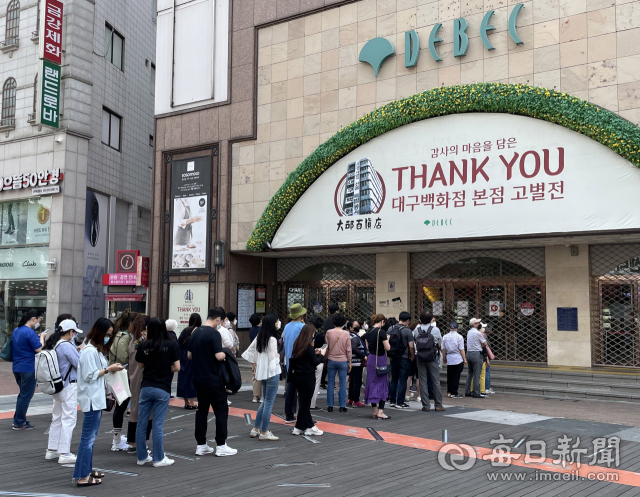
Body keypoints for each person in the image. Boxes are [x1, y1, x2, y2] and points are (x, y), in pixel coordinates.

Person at [73, 318, 124, 487]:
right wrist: (109, 369)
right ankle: (82, 476)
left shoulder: (93, 350)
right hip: (91, 399)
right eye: (107, 334)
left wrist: (109, 369)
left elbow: (95, 372)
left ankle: (85, 471)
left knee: (90, 438)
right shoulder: (89, 351)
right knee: (88, 438)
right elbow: (90, 375)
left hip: (95, 398)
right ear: (100, 332)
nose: (108, 338)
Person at [188, 307, 237, 457]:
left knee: (202, 410)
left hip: (198, 378)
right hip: (213, 379)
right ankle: (221, 445)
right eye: (222, 321)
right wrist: (224, 353)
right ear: (218, 319)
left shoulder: (195, 332)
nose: (221, 323)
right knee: (221, 410)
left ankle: (201, 445)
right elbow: (218, 356)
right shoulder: (214, 334)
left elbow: (189, 355)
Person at [135, 318, 181, 467]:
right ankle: (158, 458)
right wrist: (165, 368)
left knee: (141, 423)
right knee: (157, 424)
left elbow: (140, 365)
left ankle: (142, 457)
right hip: (163, 387)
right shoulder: (172, 345)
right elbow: (177, 367)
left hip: (146, 387)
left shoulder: (143, 345)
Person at [44, 319, 81, 463]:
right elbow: (78, 364)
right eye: (74, 332)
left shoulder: (56, 344)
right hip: (69, 386)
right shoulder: (67, 345)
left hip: (58, 386)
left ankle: (51, 449)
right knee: (68, 419)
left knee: (57, 418)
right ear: (71, 332)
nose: (74, 335)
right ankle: (64, 453)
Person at [242, 313, 281, 441]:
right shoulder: (273, 339)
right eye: (276, 321)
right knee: (268, 403)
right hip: (271, 373)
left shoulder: (260, 336)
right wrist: (277, 358)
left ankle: (256, 428)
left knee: (265, 402)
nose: (278, 323)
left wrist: (255, 364)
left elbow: (249, 351)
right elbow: (272, 360)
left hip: (262, 372)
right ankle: (264, 432)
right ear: (272, 323)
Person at [289, 324, 325, 436]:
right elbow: (315, 362)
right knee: (305, 403)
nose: (314, 335)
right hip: (308, 377)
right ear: (310, 334)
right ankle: (299, 427)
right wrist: (322, 355)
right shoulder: (308, 347)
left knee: (304, 402)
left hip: (297, 377)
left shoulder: (297, 344)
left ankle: (310, 426)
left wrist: (315, 353)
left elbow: (305, 357)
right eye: (313, 333)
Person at [109, 311, 137, 451]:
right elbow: (125, 358)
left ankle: (117, 437)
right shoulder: (125, 338)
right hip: (122, 375)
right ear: (131, 324)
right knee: (121, 406)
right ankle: (117, 439)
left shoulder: (116, 335)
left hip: (115, 374)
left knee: (120, 406)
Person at [11, 310, 43, 430]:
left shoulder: (16, 330)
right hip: (28, 367)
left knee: (22, 395)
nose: (38, 323)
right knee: (26, 396)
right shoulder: (30, 332)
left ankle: (18, 419)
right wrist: (42, 337)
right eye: (38, 320)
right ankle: (19, 422)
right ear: (33, 319)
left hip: (17, 367)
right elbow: (39, 349)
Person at [126, 315, 152, 454]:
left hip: (134, 377)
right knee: (144, 411)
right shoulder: (142, 342)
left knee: (135, 408)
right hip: (142, 378)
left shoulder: (133, 341)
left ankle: (133, 441)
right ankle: (137, 442)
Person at [413, 312, 445, 412]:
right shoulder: (435, 330)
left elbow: (414, 341)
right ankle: (438, 404)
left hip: (420, 357)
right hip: (432, 357)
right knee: (435, 380)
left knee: (422, 381)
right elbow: (440, 342)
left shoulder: (417, 330)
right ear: (431, 319)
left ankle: (426, 405)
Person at [364, 314, 390, 419]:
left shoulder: (368, 332)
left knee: (372, 382)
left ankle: (374, 410)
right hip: (380, 359)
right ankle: (381, 411)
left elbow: (367, 347)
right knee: (382, 383)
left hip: (371, 358)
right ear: (382, 321)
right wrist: (388, 339)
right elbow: (387, 348)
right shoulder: (381, 332)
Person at [283, 303, 306, 423]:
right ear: (300, 315)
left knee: (290, 389)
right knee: (303, 390)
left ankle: (289, 414)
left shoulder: (286, 326)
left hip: (289, 361)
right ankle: (303, 415)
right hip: (300, 362)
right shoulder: (302, 327)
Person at [387, 311, 415, 409]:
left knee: (393, 379)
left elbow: (387, 341)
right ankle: (400, 402)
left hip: (393, 357)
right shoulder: (408, 331)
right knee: (403, 380)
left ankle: (392, 400)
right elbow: (411, 346)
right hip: (404, 357)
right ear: (407, 321)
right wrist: (412, 356)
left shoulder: (391, 328)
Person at [325, 313, 351, 413]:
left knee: (331, 383)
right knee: (342, 383)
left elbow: (326, 346)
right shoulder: (346, 333)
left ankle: (330, 405)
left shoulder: (328, 332)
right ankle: (342, 406)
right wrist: (349, 361)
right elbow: (349, 349)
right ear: (344, 322)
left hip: (331, 359)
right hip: (343, 360)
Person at [177, 313, 201, 409]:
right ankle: (192, 402)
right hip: (194, 356)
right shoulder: (198, 331)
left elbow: (179, 344)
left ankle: (186, 401)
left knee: (183, 378)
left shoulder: (185, 331)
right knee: (193, 379)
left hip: (183, 357)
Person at [441, 321, 467, 398]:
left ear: (449, 328)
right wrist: (464, 359)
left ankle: (449, 391)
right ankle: (454, 392)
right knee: (456, 376)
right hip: (457, 358)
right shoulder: (459, 337)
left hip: (449, 358)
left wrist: (444, 358)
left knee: (450, 376)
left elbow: (444, 349)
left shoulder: (445, 336)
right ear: (457, 328)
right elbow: (462, 349)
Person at [464, 318, 487, 399]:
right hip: (476, 353)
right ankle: (476, 392)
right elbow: (485, 343)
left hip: (469, 353)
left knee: (470, 373)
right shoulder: (478, 333)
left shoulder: (469, 332)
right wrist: (479, 346)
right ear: (474, 324)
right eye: (478, 322)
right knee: (477, 374)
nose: (479, 323)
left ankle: (467, 391)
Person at [347, 319, 366, 407]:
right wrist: (363, 356)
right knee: (357, 381)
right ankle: (356, 400)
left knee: (353, 381)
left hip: (353, 362)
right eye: (355, 326)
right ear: (350, 328)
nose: (357, 327)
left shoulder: (352, 335)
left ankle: (351, 399)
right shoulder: (353, 337)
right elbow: (354, 348)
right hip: (356, 362)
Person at [469, 323, 490, 397]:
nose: (483, 329)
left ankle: (472, 389)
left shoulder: (471, 334)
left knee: (474, 374)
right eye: (482, 327)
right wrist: (487, 359)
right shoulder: (480, 335)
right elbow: (485, 348)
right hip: (480, 357)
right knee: (481, 375)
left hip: (472, 355)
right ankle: (482, 391)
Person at [248, 313, 263, 403]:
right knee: (263, 375)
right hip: (261, 354)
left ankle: (255, 396)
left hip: (254, 355)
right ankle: (262, 396)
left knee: (255, 374)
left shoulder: (251, 330)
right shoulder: (262, 331)